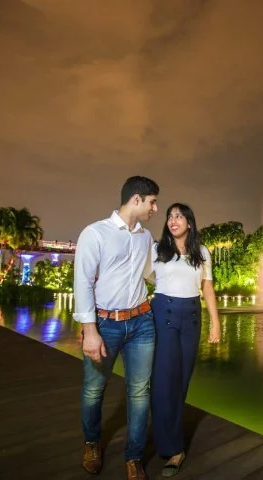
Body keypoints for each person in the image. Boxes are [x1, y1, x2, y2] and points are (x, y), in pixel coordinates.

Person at [73, 176, 159, 480]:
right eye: (152, 202)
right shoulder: (95, 233)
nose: (155, 208)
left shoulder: (146, 237)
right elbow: (83, 282)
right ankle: (91, 443)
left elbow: (152, 274)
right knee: (94, 389)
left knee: (139, 392)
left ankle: (133, 458)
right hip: (105, 323)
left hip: (142, 323)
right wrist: (90, 330)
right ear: (136, 199)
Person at [149, 203, 220, 478]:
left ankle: (171, 440)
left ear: (189, 222)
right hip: (163, 314)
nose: (173, 220)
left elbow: (207, 287)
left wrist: (215, 322)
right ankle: (172, 448)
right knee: (163, 381)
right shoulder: (157, 250)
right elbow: (143, 278)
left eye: (179, 216)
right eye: (170, 216)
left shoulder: (201, 252)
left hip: (191, 317)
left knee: (181, 381)